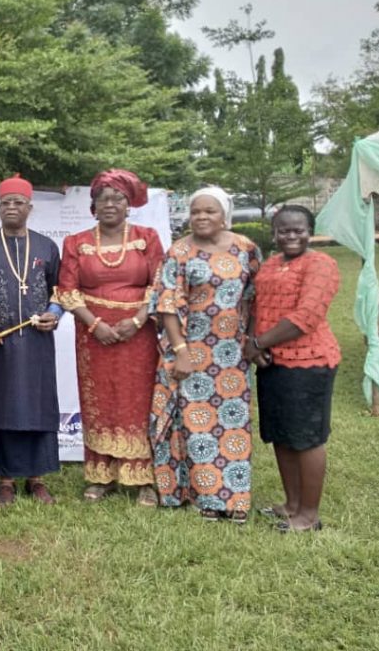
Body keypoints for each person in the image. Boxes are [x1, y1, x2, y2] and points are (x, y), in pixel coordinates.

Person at [150, 186, 261, 522]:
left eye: (209, 211)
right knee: (196, 425)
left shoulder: (246, 248)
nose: (201, 217)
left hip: (232, 352)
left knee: (233, 422)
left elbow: (255, 296)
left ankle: (236, 499)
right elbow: (167, 305)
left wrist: (252, 339)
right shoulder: (179, 252)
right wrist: (181, 351)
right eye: (196, 211)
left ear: (224, 214)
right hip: (191, 349)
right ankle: (209, 498)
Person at [55, 170, 164, 505]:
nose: (111, 204)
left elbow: (160, 284)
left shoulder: (148, 238)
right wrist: (94, 324)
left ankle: (144, 477)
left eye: (118, 198)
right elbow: (67, 290)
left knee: (138, 399)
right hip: (93, 336)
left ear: (128, 204)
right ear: (93, 206)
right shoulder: (76, 242)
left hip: (139, 333)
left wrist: (137, 319)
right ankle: (101, 475)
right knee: (99, 400)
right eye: (103, 199)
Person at [246, 205, 340, 533]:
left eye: (298, 229)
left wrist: (257, 344)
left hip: (308, 363)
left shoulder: (321, 264)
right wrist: (255, 344)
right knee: (282, 436)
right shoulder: (270, 265)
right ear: (274, 233)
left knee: (307, 437)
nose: (291, 235)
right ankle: (291, 504)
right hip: (273, 363)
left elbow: (306, 316)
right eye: (283, 230)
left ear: (309, 231)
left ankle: (309, 515)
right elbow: (256, 305)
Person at [0, 175, 64, 506]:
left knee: (38, 406)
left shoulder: (46, 246)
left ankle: (37, 479)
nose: (11, 208)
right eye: (5, 203)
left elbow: (61, 290)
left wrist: (55, 313)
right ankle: (6, 480)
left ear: (29, 207)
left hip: (38, 343)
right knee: (3, 408)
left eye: (17, 203)